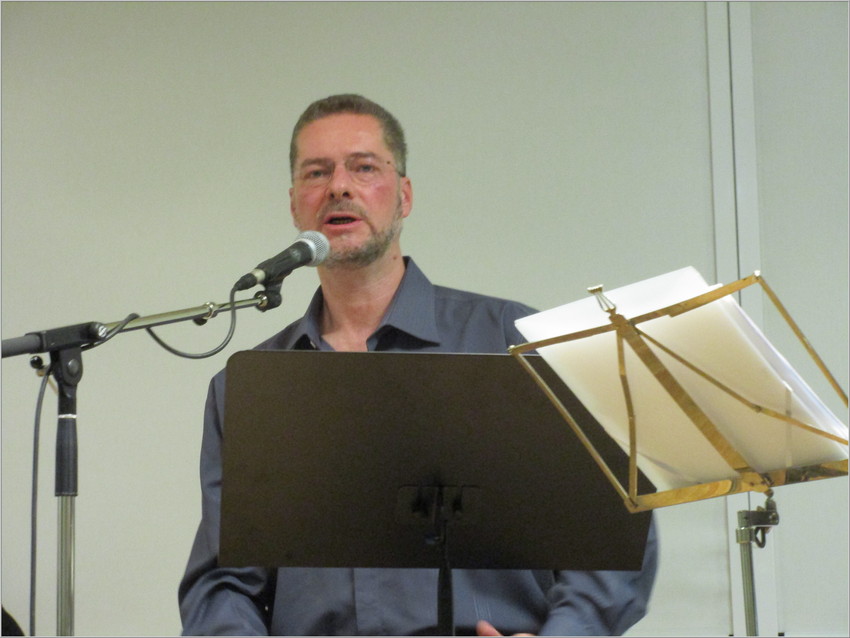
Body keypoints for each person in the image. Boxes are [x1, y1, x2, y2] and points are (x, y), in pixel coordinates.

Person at [178, 94, 658, 636]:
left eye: (364, 167)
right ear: (295, 205)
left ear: (403, 196)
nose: (339, 186)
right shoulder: (252, 387)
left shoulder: (513, 341)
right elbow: (223, 583)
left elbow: (616, 529)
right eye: (317, 172)